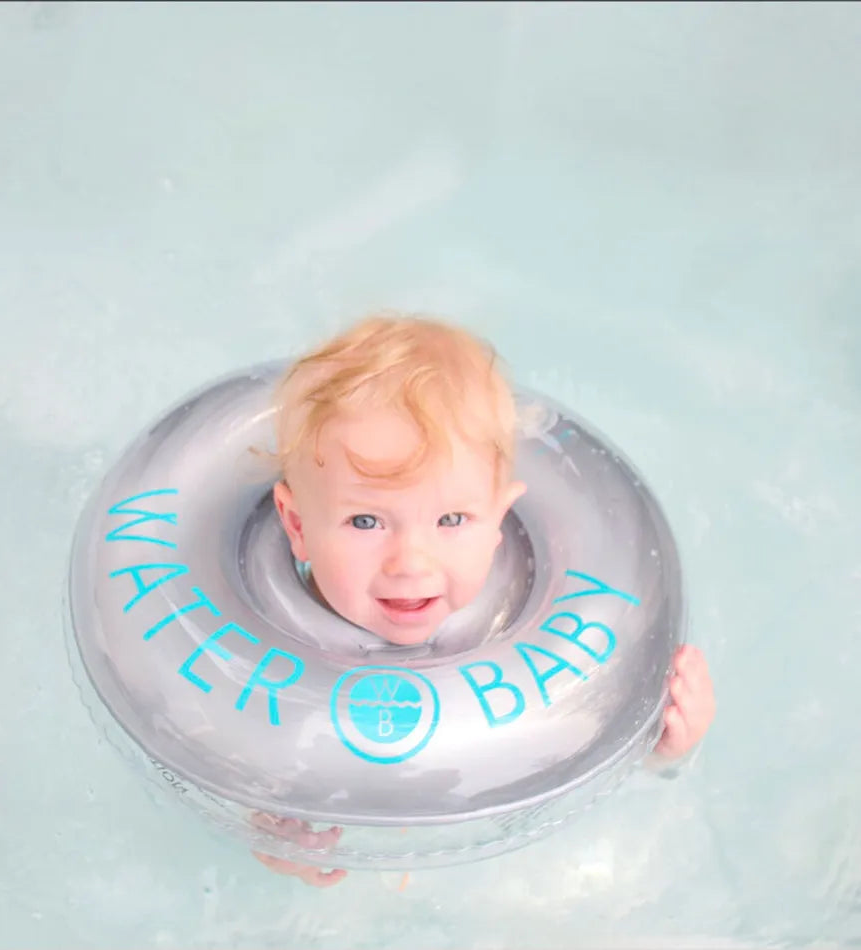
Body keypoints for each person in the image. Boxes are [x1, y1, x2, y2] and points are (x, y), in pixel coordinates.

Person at [256, 311, 715, 887]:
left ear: (501, 517)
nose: (410, 562)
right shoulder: (257, 656)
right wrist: (276, 847)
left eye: (451, 518)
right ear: (295, 525)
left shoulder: (526, 616)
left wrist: (663, 755)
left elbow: (578, 757)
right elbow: (241, 764)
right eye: (366, 520)